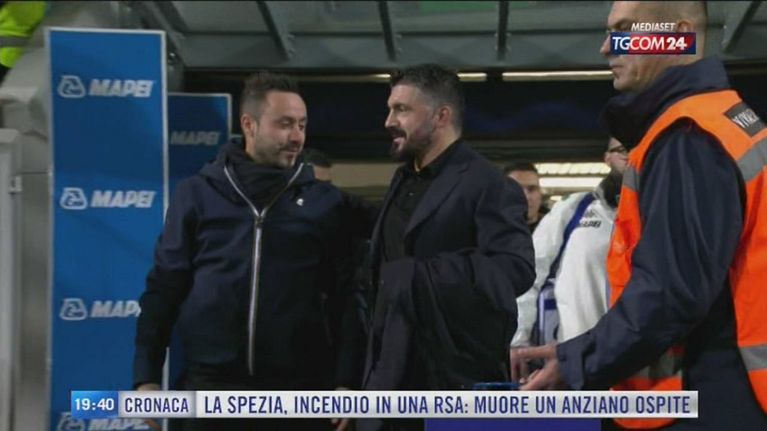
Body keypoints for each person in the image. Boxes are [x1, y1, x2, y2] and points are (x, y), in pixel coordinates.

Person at [515, 2, 767, 430]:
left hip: (704, 395)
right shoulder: (729, 120)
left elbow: (669, 294)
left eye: (625, 30)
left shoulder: (688, 137)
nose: (605, 47)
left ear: (679, 35)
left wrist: (578, 361)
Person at [133, 71, 372, 431]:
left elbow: (348, 298)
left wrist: (346, 381)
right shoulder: (197, 194)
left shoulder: (326, 203)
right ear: (249, 124)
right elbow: (165, 288)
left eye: (302, 125)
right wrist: (147, 377)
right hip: (210, 390)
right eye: (284, 124)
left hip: (301, 394)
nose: (297, 137)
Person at [360, 64, 535, 430]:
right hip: (388, 383)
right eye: (390, 109)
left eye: (402, 109)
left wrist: (420, 276)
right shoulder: (402, 180)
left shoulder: (488, 183)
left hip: (454, 383)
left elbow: (514, 269)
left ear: (441, 116)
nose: (389, 121)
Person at [509, 137, 627, 381]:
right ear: (607, 158)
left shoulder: (664, 213)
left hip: (643, 369)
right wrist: (518, 341)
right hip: (574, 366)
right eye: (623, 149)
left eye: (640, 148)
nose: (631, 156)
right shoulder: (575, 209)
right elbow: (529, 275)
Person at [504, 162, 549, 232]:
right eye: (517, 189)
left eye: (532, 189)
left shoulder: (558, 230)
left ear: (540, 193)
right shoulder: (487, 231)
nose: (526, 197)